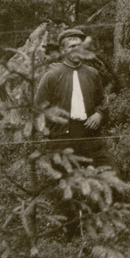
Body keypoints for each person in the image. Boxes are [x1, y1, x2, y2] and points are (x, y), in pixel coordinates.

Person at [36, 27, 113, 166]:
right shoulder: (51, 77)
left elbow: (102, 101)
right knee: (67, 182)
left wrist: (99, 114)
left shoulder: (92, 74)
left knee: (109, 174)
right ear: (63, 50)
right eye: (72, 46)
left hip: (90, 135)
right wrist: (54, 134)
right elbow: (39, 110)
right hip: (62, 139)